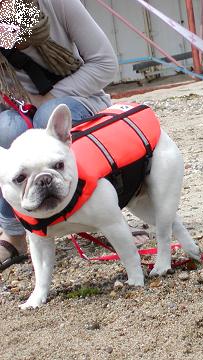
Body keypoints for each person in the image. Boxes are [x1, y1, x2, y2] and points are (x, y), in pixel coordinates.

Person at [0, 0, 146, 271]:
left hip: (77, 98)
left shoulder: (58, 4)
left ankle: (106, 217)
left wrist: (46, 99)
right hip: (16, 109)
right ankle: (15, 232)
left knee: (49, 115)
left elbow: (104, 64)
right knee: (7, 130)